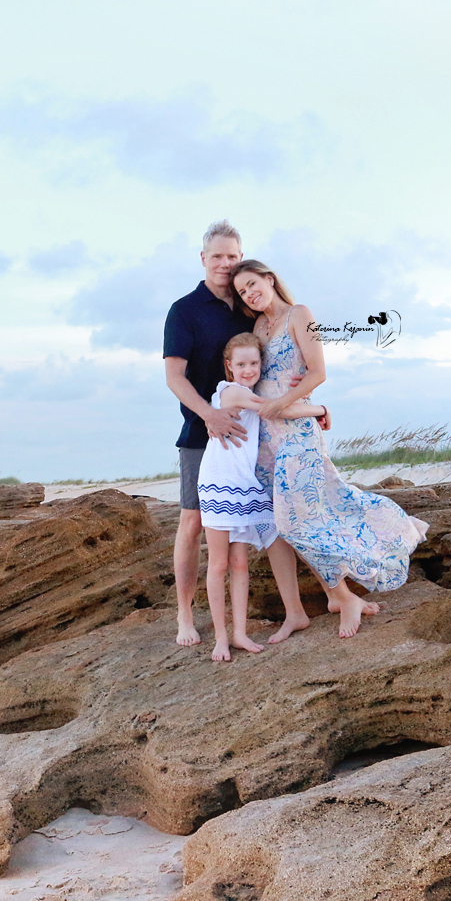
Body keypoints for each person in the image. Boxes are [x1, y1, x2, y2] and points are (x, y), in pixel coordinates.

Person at [234, 258, 430, 639]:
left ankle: (348, 593)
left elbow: (318, 371)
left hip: (297, 433)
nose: (250, 293)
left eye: (253, 284)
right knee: (298, 519)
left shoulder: (299, 313)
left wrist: (292, 401)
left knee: (299, 520)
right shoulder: (258, 326)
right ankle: (333, 596)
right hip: (266, 439)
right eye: (243, 291)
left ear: (269, 279)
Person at [198, 332, 328, 662]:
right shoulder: (232, 391)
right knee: (219, 564)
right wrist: (320, 408)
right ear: (229, 366)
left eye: (254, 363)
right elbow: (276, 410)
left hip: (244, 483)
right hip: (219, 483)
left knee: (240, 562)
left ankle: (240, 633)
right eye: (241, 364)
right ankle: (221, 639)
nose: (248, 369)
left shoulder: (247, 390)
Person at [162, 221, 257, 647]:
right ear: (203, 259)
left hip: (250, 433)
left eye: (232, 256)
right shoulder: (184, 310)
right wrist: (208, 416)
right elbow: (174, 377)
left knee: (256, 521)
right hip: (202, 432)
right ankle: (185, 614)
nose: (225, 263)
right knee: (193, 521)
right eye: (217, 256)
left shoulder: (249, 306)